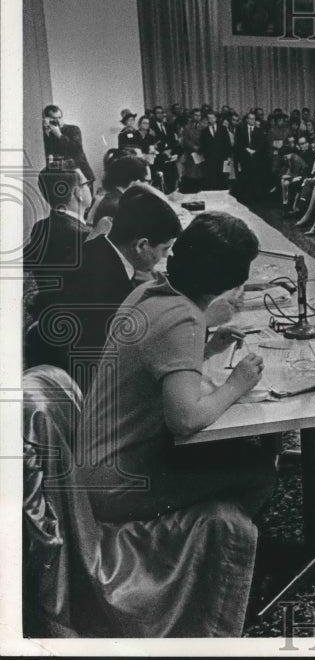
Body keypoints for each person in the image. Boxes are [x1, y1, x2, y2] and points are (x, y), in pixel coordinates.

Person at [78, 211, 277, 523]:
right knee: (260, 471)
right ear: (229, 281)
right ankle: (199, 546)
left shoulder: (149, 289)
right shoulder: (185, 318)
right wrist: (237, 384)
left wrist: (207, 350)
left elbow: (155, 366)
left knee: (232, 451)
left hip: (97, 466)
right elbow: (184, 420)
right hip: (121, 484)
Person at [27, 186, 181, 381]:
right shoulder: (110, 291)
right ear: (141, 245)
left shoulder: (96, 247)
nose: (167, 255)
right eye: (165, 248)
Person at [24, 166, 93, 313]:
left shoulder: (40, 226)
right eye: (87, 184)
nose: (89, 188)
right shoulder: (84, 236)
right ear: (78, 193)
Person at [88, 152, 150, 226]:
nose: (148, 186)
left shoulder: (111, 199)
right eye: (146, 181)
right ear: (135, 181)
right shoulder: (120, 207)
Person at [42, 104, 95, 182]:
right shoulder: (49, 135)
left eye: (59, 117)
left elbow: (76, 149)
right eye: (54, 118)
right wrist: (46, 132)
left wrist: (59, 135)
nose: (58, 121)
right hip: (65, 178)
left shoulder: (73, 129)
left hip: (83, 175)